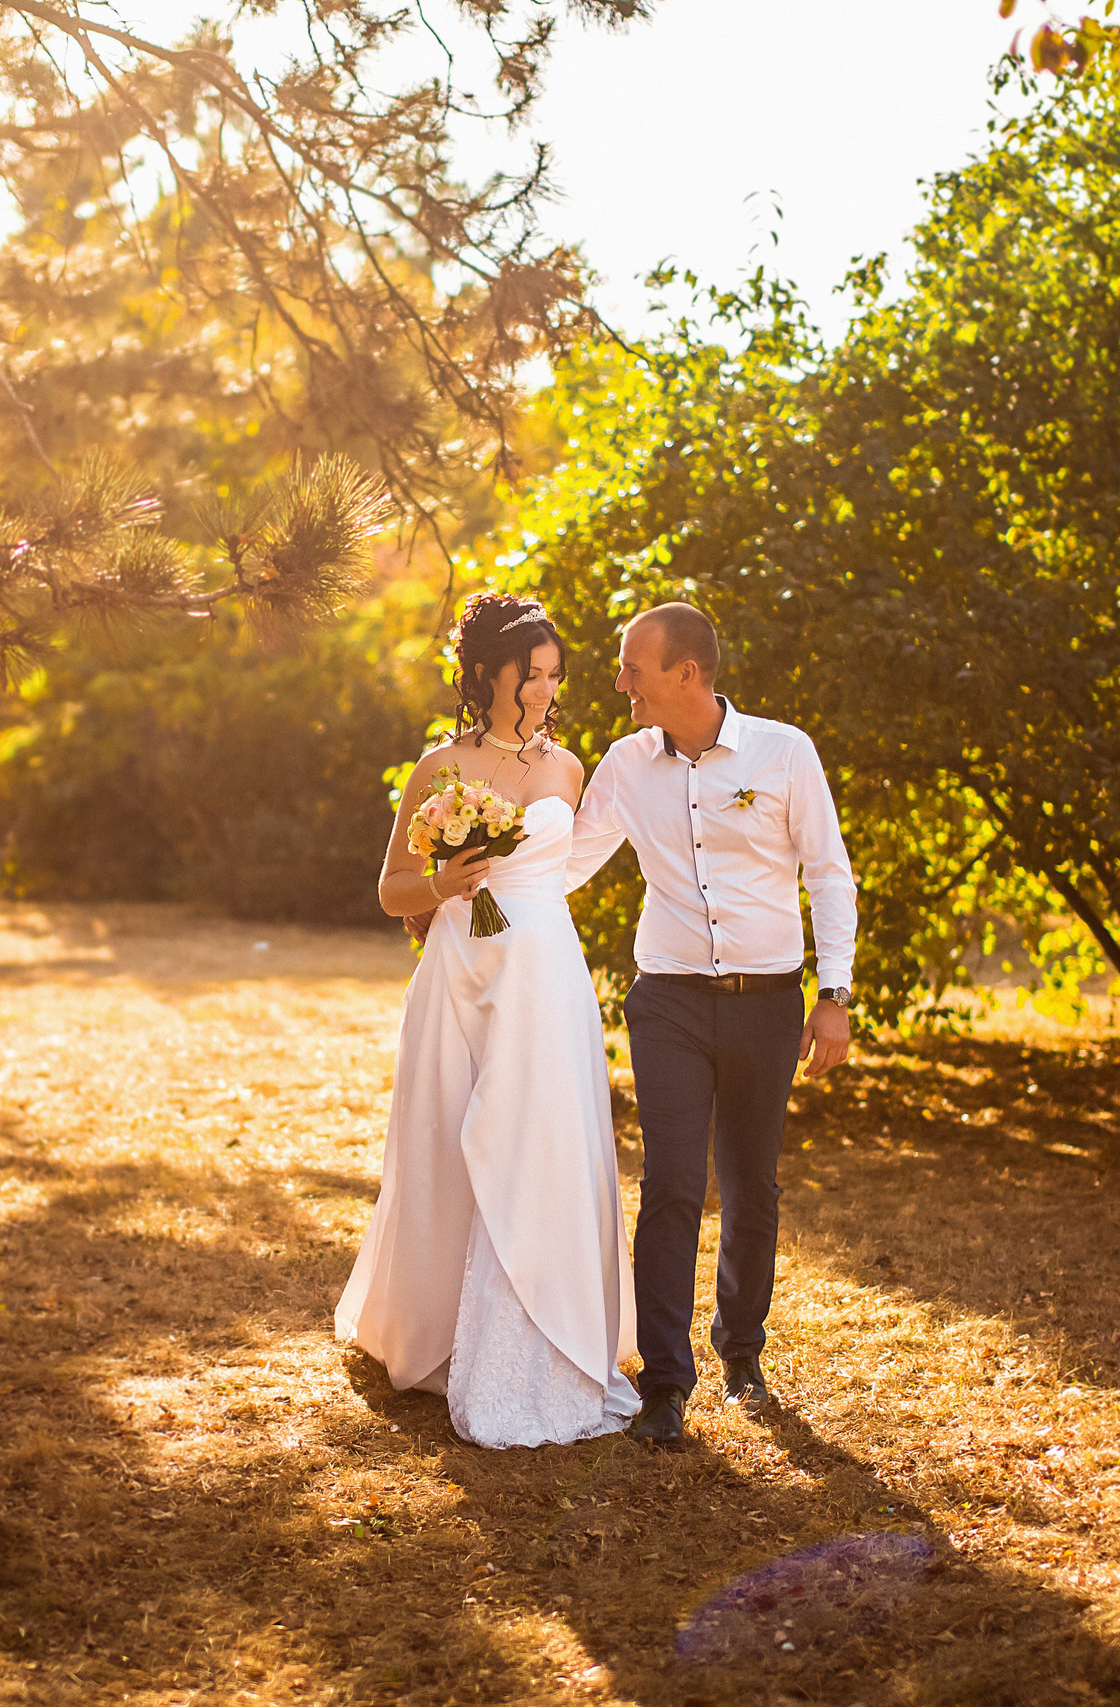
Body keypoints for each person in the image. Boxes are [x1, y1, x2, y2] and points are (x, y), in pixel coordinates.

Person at [334, 591, 641, 1448]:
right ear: (483, 674)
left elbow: (563, 866)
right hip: (457, 968)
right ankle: (436, 1331)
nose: (544, 690)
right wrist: (442, 885)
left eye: (553, 675)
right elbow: (390, 888)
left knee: (537, 1137)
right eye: (528, 674)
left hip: (542, 974)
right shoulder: (439, 768)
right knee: (442, 1136)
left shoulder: (569, 769)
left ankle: (543, 1330)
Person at [565, 601, 858, 1449]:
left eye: (633, 667)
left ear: (686, 673)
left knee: (751, 1182)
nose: (620, 682)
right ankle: (664, 1381)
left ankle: (742, 1350)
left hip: (768, 1001)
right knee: (671, 1183)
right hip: (668, 1000)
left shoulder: (784, 752)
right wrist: (472, 884)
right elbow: (570, 862)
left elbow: (828, 873)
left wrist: (834, 993)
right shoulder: (625, 764)